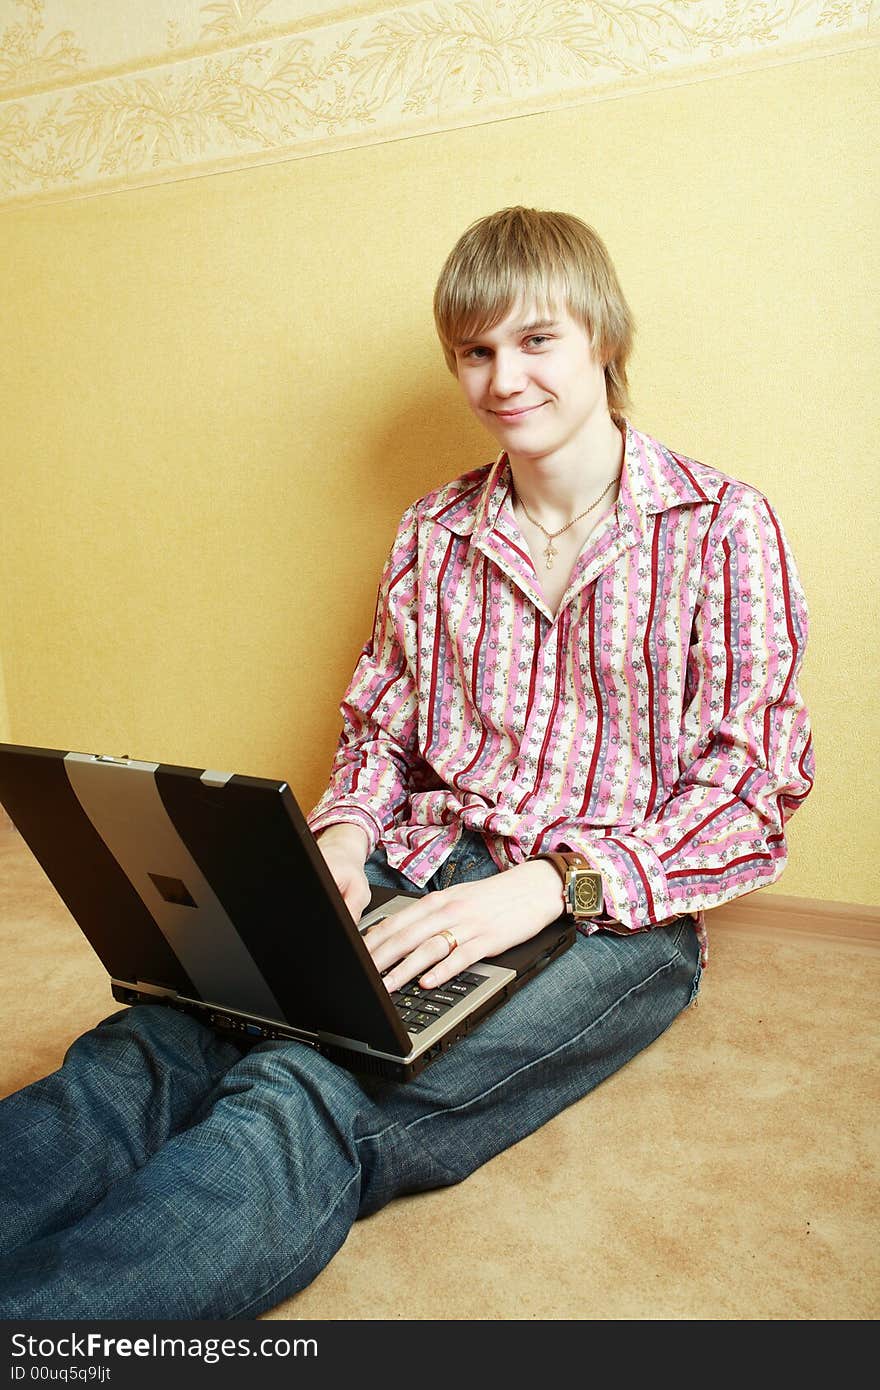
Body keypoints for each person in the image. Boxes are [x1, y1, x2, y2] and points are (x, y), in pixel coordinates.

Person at [0, 207, 813, 1320]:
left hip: (604, 910)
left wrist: (541, 889)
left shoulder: (725, 524)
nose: (502, 376)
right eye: (474, 351)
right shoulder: (433, 530)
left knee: (304, 1092)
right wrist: (340, 837)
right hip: (419, 855)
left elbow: (750, 787)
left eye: (535, 341)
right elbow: (383, 731)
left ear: (603, 340)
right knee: (154, 1042)